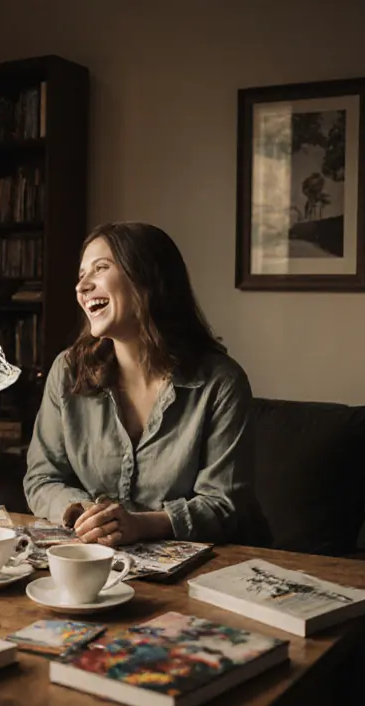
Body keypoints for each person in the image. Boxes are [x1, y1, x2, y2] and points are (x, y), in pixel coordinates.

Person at [23, 221, 260, 546]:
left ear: (147, 280)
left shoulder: (221, 383)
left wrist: (141, 526)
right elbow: (41, 478)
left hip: (211, 567)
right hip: (102, 559)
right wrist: (91, 515)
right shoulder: (67, 371)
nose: (82, 287)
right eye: (81, 275)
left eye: (100, 268)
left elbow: (224, 505)